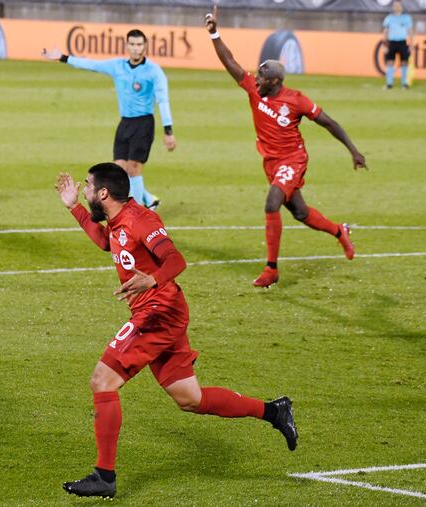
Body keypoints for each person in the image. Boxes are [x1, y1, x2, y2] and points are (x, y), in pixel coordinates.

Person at [55, 163, 297, 499]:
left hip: (160, 313)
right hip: (159, 311)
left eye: (87, 186)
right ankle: (274, 411)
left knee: (102, 380)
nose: (83, 189)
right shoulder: (117, 219)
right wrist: (74, 207)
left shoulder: (142, 220)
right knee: (190, 399)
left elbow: (176, 260)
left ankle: (104, 476)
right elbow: (105, 243)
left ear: (104, 193)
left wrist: (152, 279)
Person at [205, 6, 368, 288]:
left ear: (276, 82)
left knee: (272, 203)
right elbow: (229, 61)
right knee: (300, 213)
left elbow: (329, 123)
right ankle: (339, 231)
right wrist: (214, 33)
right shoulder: (255, 90)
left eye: (262, 76)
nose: (255, 79)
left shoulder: (297, 100)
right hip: (270, 161)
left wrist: (353, 150)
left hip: (292, 160)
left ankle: (271, 269)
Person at [43, 29, 176, 210]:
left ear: (145, 46)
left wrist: (168, 131)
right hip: (125, 123)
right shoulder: (117, 66)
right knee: (119, 171)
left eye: (139, 44)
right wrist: (64, 58)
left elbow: (163, 99)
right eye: (133, 44)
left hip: (143, 123)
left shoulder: (154, 71)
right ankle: (149, 199)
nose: (136, 49)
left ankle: (136, 212)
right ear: (127, 46)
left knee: (134, 168)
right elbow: (91, 64)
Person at [382, 0, 414, 90]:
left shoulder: (406, 18)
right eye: (395, 5)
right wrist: (384, 43)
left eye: (398, 5)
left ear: (401, 7)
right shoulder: (389, 18)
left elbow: (410, 31)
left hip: (402, 42)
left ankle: (404, 83)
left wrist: (412, 44)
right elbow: (385, 31)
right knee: (390, 62)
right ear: (392, 7)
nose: (396, 7)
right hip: (392, 42)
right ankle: (389, 84)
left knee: (404, 62)